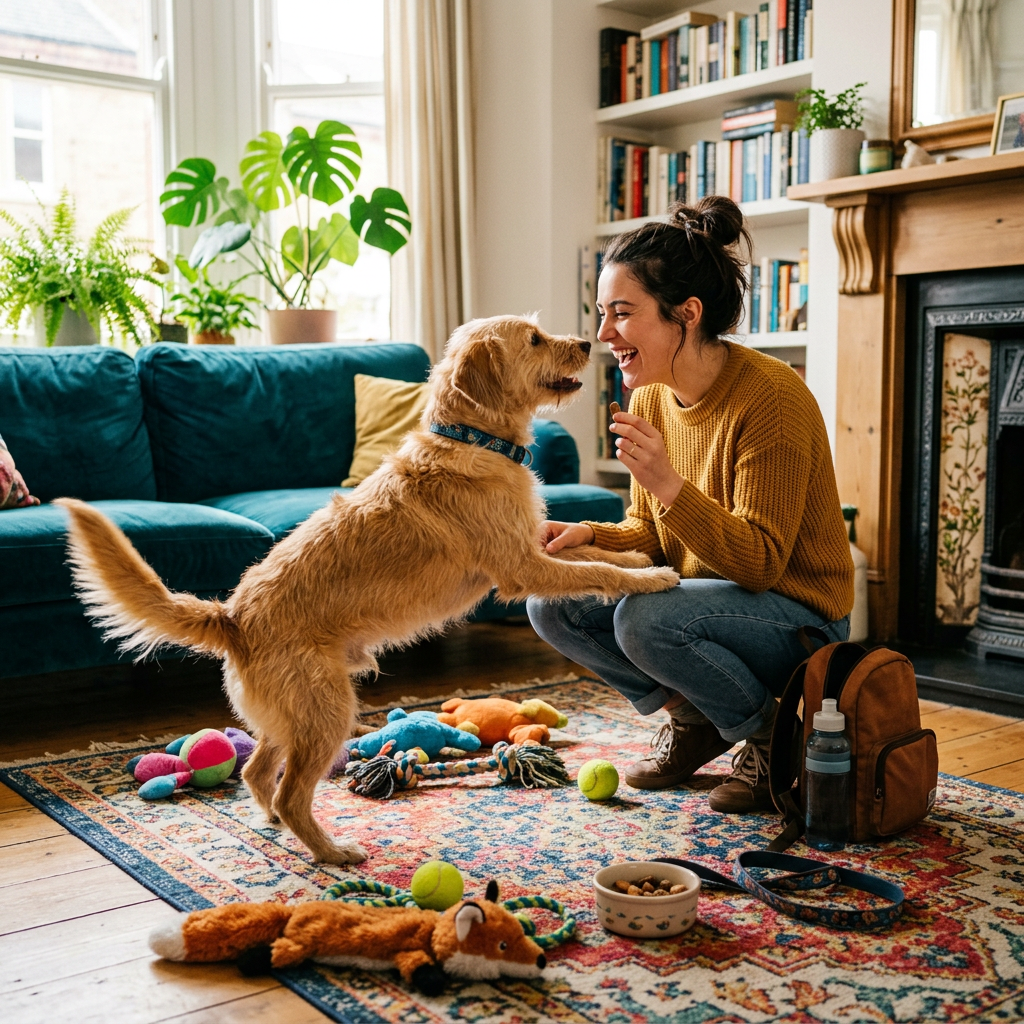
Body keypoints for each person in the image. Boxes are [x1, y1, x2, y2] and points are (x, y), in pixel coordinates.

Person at [527, 195, 853, 813]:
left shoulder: (772, 399)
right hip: (707, 603)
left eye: (621, 314)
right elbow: (649, 531)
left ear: (686, 313)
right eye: (602, 314)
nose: (603, 335)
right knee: (553, 601)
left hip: (798, 616)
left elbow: (759, 563)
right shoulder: (650, 399)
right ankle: (697, 721)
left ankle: (769, 738)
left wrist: (671, 484)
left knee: (643, 619)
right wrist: (588, 538)